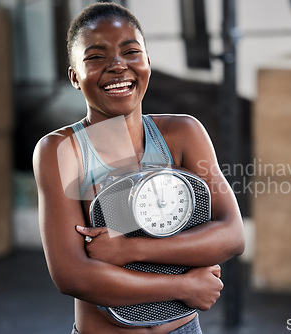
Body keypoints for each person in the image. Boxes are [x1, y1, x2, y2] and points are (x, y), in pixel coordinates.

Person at [33, 3, 245, 333]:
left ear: (147, 62)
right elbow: (72, 275)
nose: (117, 66)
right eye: (96, 57)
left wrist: (130, 248)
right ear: (74, 76)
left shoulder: (183, 134)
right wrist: (185, 286)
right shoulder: (61, 150)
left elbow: (231, 234)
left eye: (131, 51)